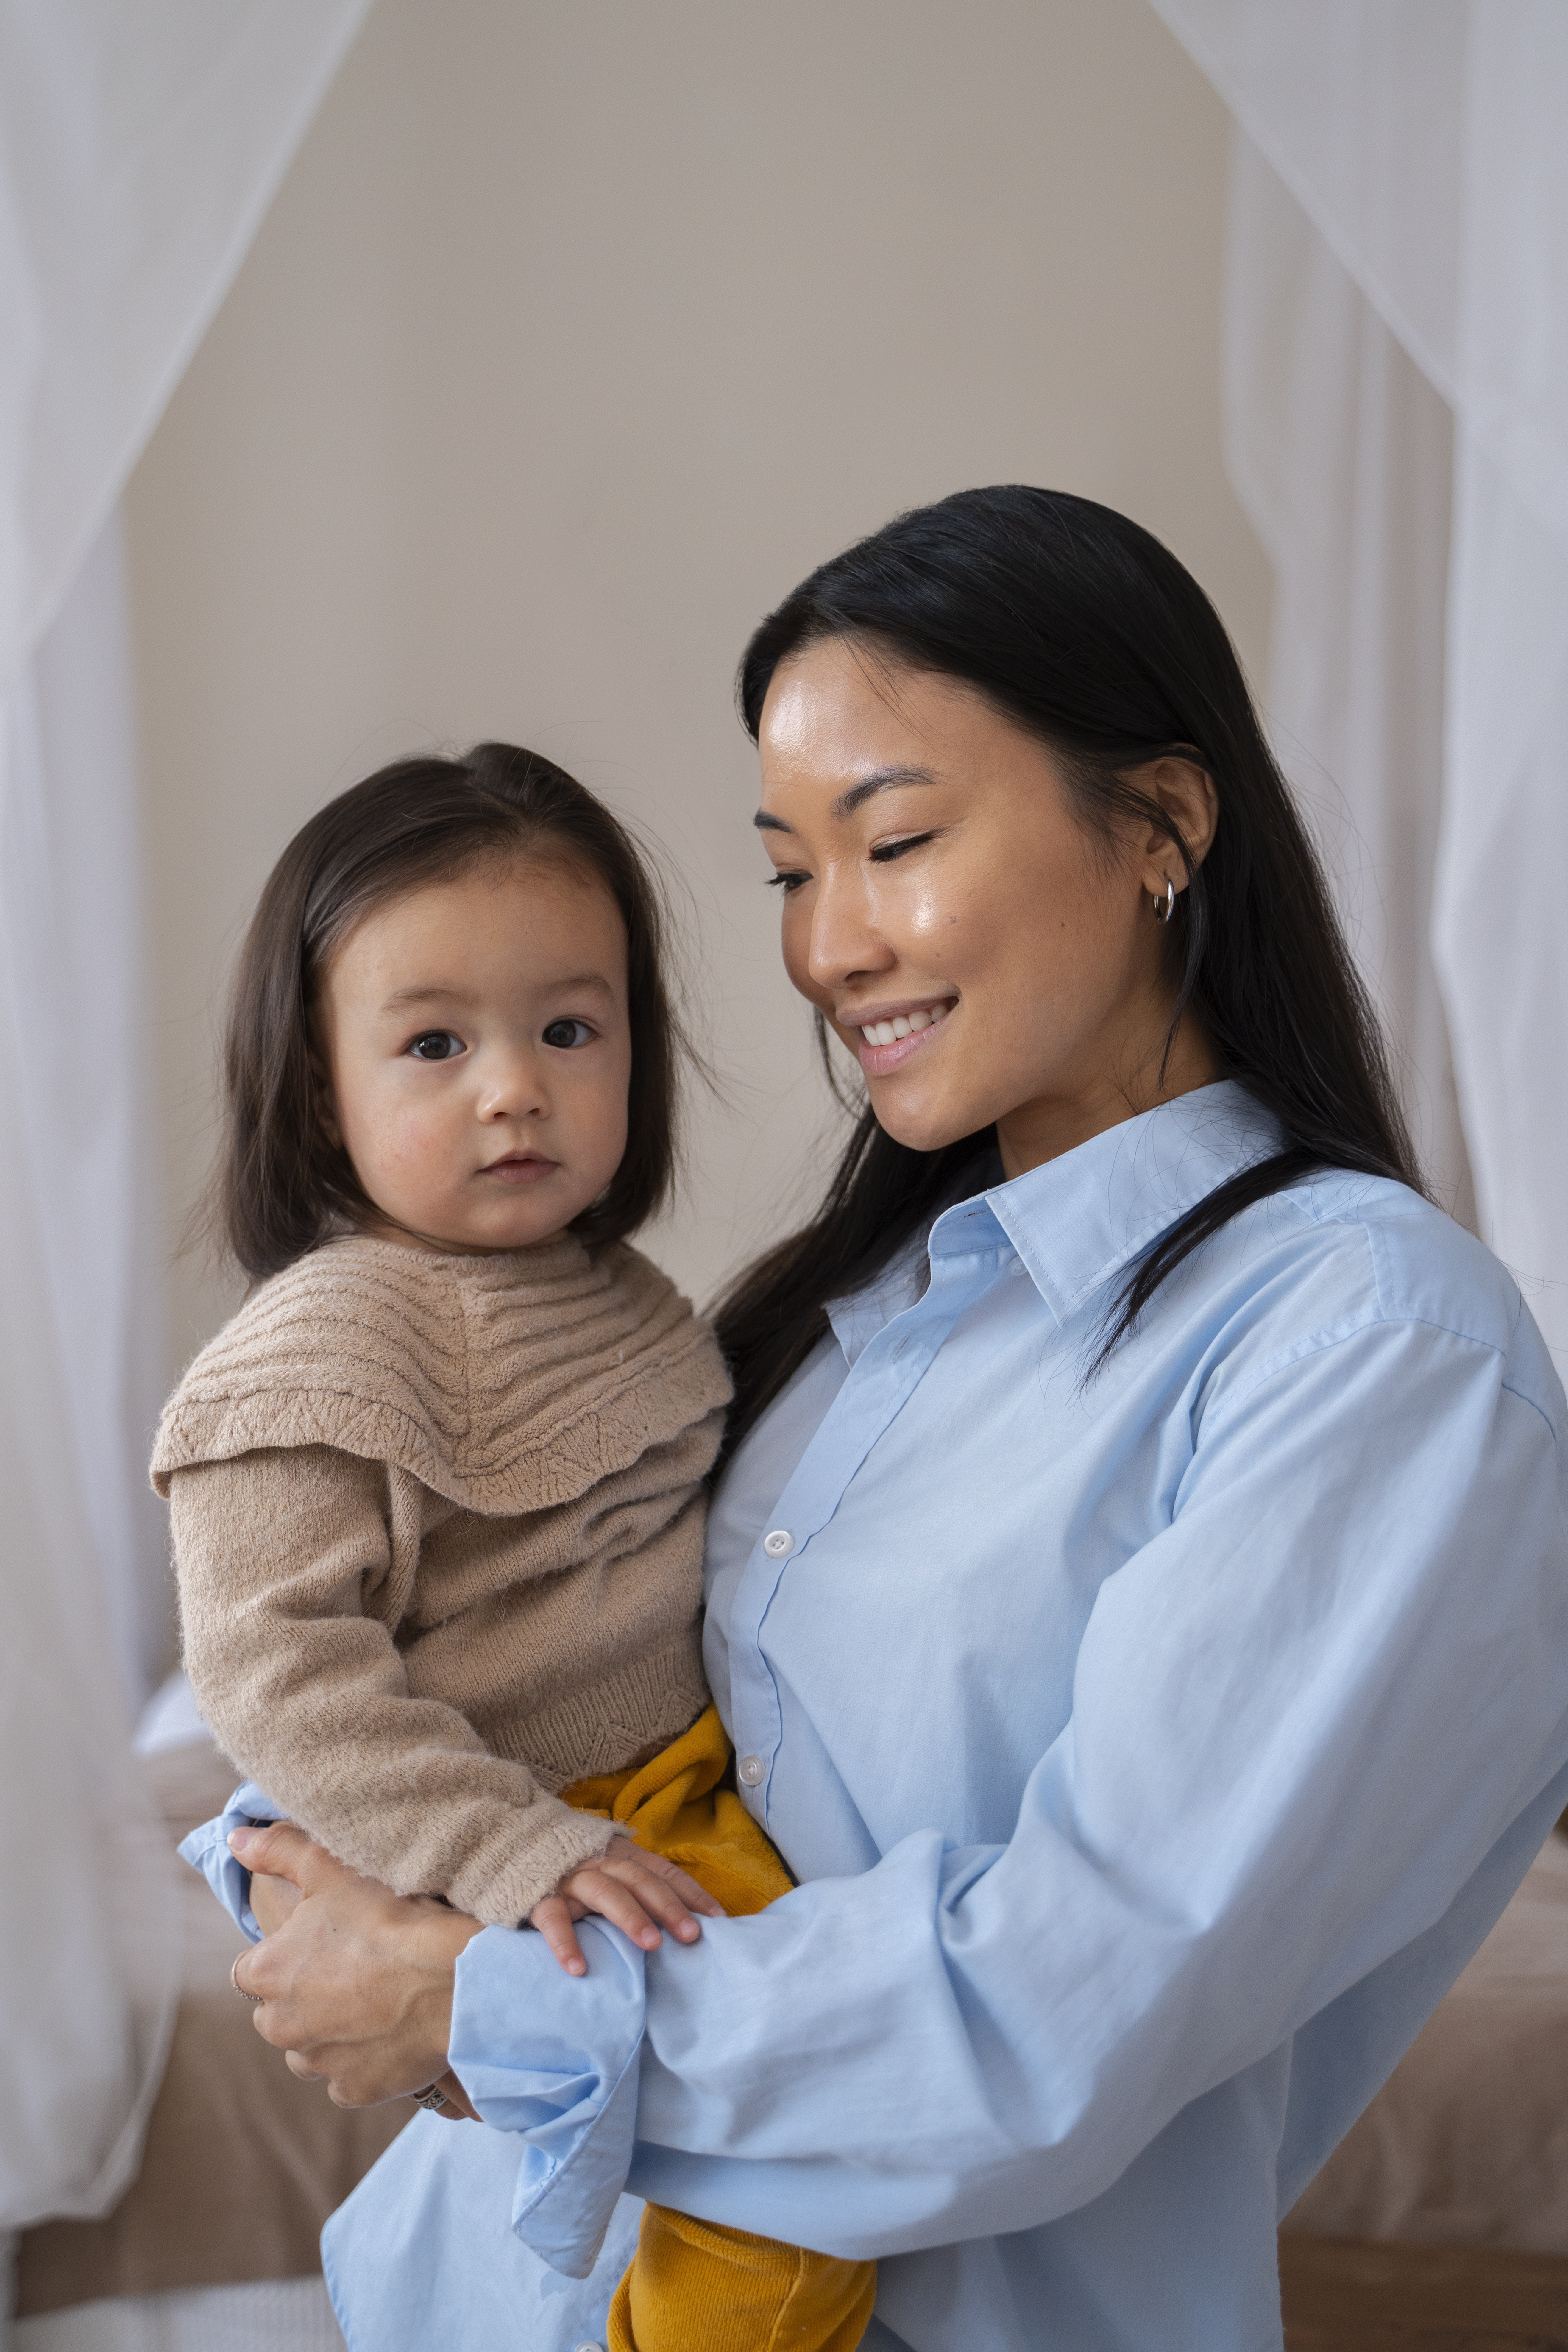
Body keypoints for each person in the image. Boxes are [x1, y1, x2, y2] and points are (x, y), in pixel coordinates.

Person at [218, 490, 1568, 2352]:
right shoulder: (835, 1317)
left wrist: (474, 2004)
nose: (828, 946)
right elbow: (517, 1683)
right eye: (790, 871)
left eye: (896, 841)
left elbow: (1067, 2009)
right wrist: (311, 1877)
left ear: (1164, 824)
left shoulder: (1369, 1346)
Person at [161, 744, 877, 2352]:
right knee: (801, 2175)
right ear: (319, 1093)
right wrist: (508, 1853)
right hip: (539, 1817)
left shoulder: (619, 1299)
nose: (514, 1088)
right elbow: (274, 1673)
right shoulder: (314, 1353)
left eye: (570, 1029)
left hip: (680, 1783)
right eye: (434, 1043)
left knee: (807, 2120)